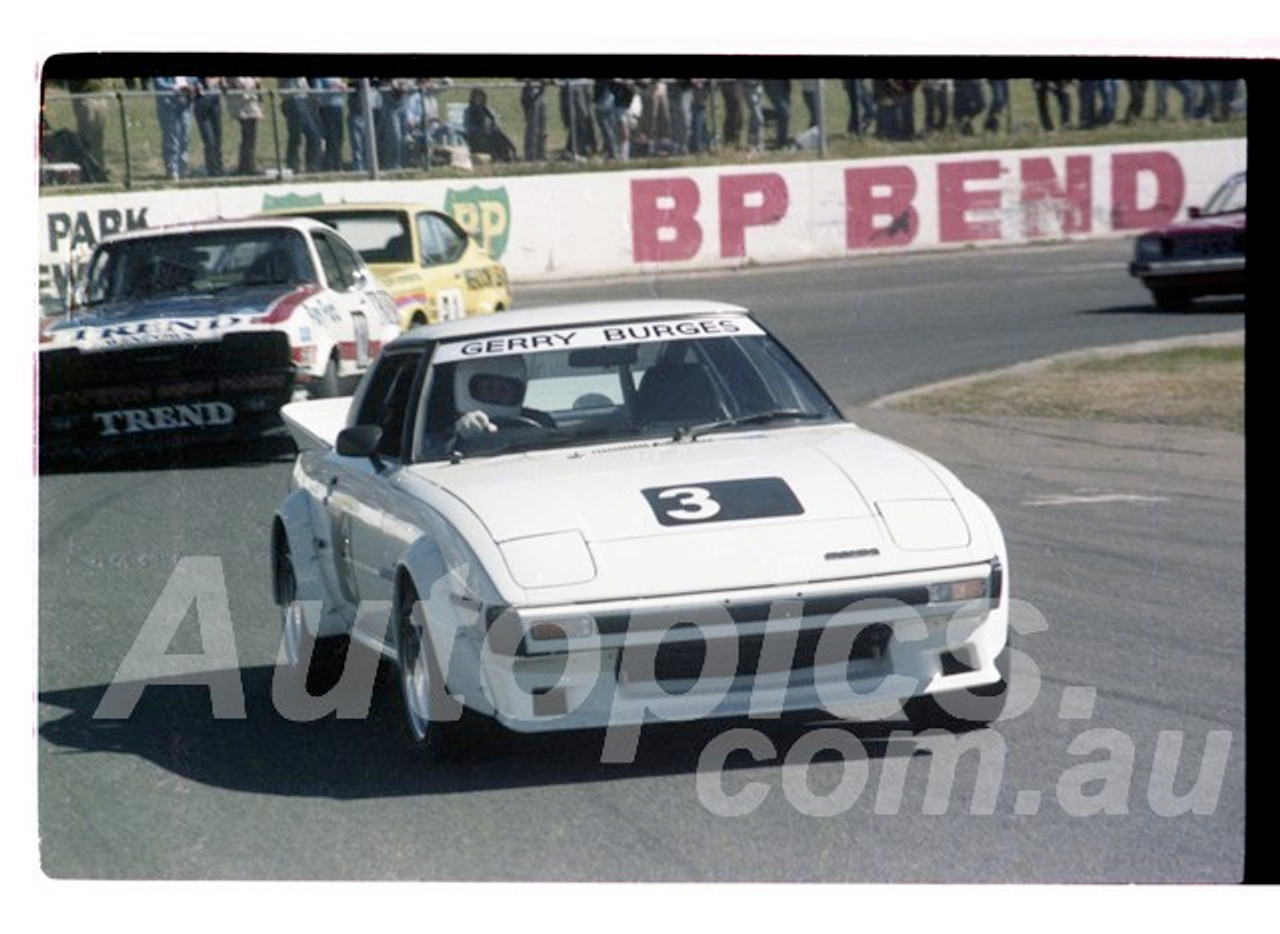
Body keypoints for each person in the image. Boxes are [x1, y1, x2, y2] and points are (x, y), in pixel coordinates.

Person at [450, 356, 549, 447]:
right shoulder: (456, 428)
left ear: (517, 392)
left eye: (503, 390)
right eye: (488, 388)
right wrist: (461, 436)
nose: (495, 394)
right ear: (474, 390)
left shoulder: (541, 421)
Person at [153, 77, 197, 180]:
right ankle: (172, 170)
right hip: (169, 106)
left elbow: (194, 80)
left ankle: (183, 170)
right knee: (172, 139)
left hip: (186, 105)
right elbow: (159, 83)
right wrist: (175, 87)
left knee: (185, 138)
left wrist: (191, 86)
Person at [66, 77, 109, 181]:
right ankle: (87, 172)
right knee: (86, 139)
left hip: (99, 95)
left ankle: (100, 170)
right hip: (83, 96)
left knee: (99, 139)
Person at [280, 77, 323, 174]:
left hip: (304, 98)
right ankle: (293, 166)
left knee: (314, 136)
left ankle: (312, 167)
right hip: (292, 99)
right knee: (296, 136)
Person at [464, 86, 519, 162]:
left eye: (480, 96)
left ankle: (508, 156)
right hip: (476, 135)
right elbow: (468, 126)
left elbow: (496, 121)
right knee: (482, 138)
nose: (478, 99)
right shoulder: (469, 111)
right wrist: (479, 130)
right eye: (476, 97)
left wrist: (494, 128)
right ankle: (495, 157)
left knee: (499, 136)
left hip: (490, 133)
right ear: (472, 98)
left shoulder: (487, 109)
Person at [225, 77, 263, 175]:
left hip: (252, 102)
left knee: (250, 136)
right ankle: (246, 167)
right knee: (247, 135)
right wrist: (254, 81)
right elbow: (240, 84)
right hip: (241, 103)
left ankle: (248, 165)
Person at [313, 77, 347, 171]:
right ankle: (329, 165)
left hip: (338, 107)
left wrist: (341, 87)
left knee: (339, 137)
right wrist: (333, 88)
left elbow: (343, 88)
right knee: (330, 138)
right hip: (327, 108)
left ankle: (338, 164)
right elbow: (318, 91)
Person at [192, 77, 224, 177]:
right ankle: (212, 170)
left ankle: (219, 168)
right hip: (201, 103)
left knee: (218, 139)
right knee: (209, 141)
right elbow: (204, 82)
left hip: (215, 104)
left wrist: (219, 81)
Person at [520, 78, 549, 162]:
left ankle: (541, 154)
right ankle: (530, 156)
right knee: (532, 127)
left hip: (540, 95)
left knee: (542, 128)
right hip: (529, 97)